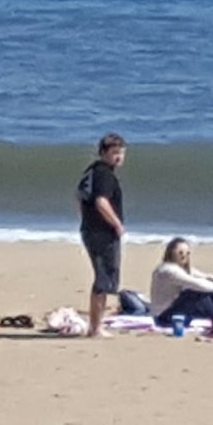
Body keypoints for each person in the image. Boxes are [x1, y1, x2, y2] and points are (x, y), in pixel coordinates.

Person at [76, 133, 127, 338]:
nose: (119, 157)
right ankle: (95, 328)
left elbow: (79, 197)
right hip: (101, 233)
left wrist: (86, 220)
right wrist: (117, 224)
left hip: (91, 230)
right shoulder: (104, 174)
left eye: (121, 153)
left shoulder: (91, 172)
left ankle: (96, 325)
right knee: (103, 278)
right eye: (114, 152)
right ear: (103, 153)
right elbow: (101, 202)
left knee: (104, 278)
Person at [149, 237, 213, 329]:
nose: (184, 256)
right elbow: (196, 284)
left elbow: (206, 276)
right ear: (171, 252)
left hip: (173, 312)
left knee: (208, 290)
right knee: (199, 293)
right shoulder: (168, 270)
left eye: (187, 253)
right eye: (180, 252)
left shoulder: (180, 269)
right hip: (164, 318)